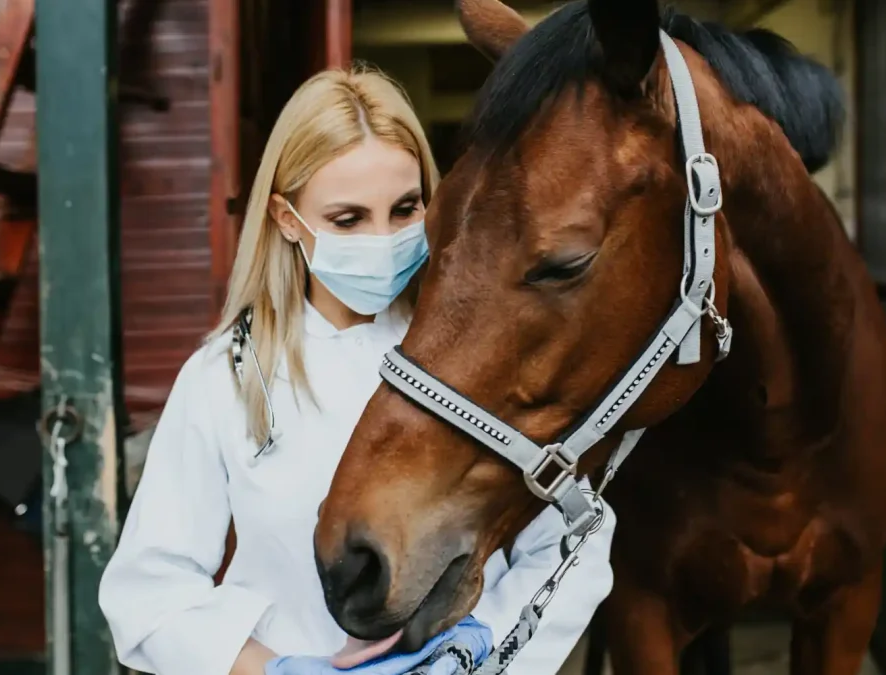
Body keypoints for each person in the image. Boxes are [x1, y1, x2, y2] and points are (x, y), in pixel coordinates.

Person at [98, 66, 616, 675]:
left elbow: (571, 537)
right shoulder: (228, 377)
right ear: (288, 221)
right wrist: (274, 670)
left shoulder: (484, 352)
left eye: (404, 208)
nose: (384, 237)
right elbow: (148, 593)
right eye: (348, 219)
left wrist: (481, 645)